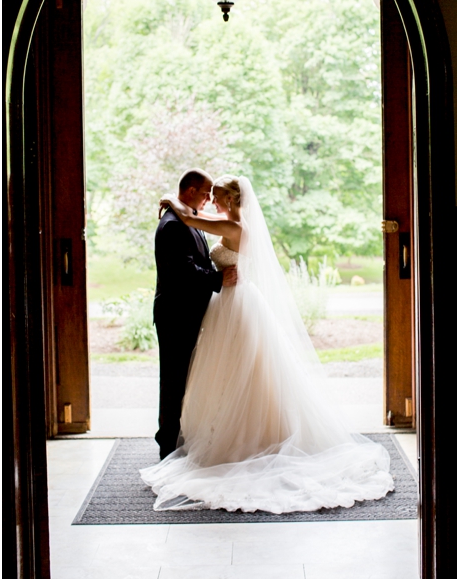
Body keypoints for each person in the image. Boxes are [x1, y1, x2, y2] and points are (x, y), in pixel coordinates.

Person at [141, 175, 394, 513]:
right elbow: (192, 234)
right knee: (223, 372)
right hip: (226, 303)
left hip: (238, 304)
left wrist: (169, 201)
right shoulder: (227, 223)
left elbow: (189, 219)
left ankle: (246, 438)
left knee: (244, 371)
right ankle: (209, 434)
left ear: (231, 200)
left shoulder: (236, 228)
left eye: (215, 196)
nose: (211, 200)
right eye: (208, 194)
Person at [153, 169, 238, 459]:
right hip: (176, 315)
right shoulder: (174, 225)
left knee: (183, 378)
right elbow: (183, 273)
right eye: (205, 194)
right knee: (174, 380)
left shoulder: (187, 217)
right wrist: (218, 279)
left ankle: (176, 436)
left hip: (188, 312)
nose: (208, 200)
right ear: (190, 191)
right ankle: (166, 444)